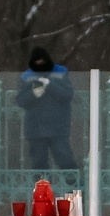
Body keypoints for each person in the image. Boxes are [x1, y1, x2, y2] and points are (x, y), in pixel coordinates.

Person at [14, 48, 79, 176]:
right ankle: (42, 194)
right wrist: (34, 94)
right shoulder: (27, 76)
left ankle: (75, 190)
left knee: (65, 160)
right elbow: (21, 100)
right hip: (36, 128)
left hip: (58, 127)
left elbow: (67, 95)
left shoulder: (60, 72)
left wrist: (49, 85)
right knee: (39, 164)